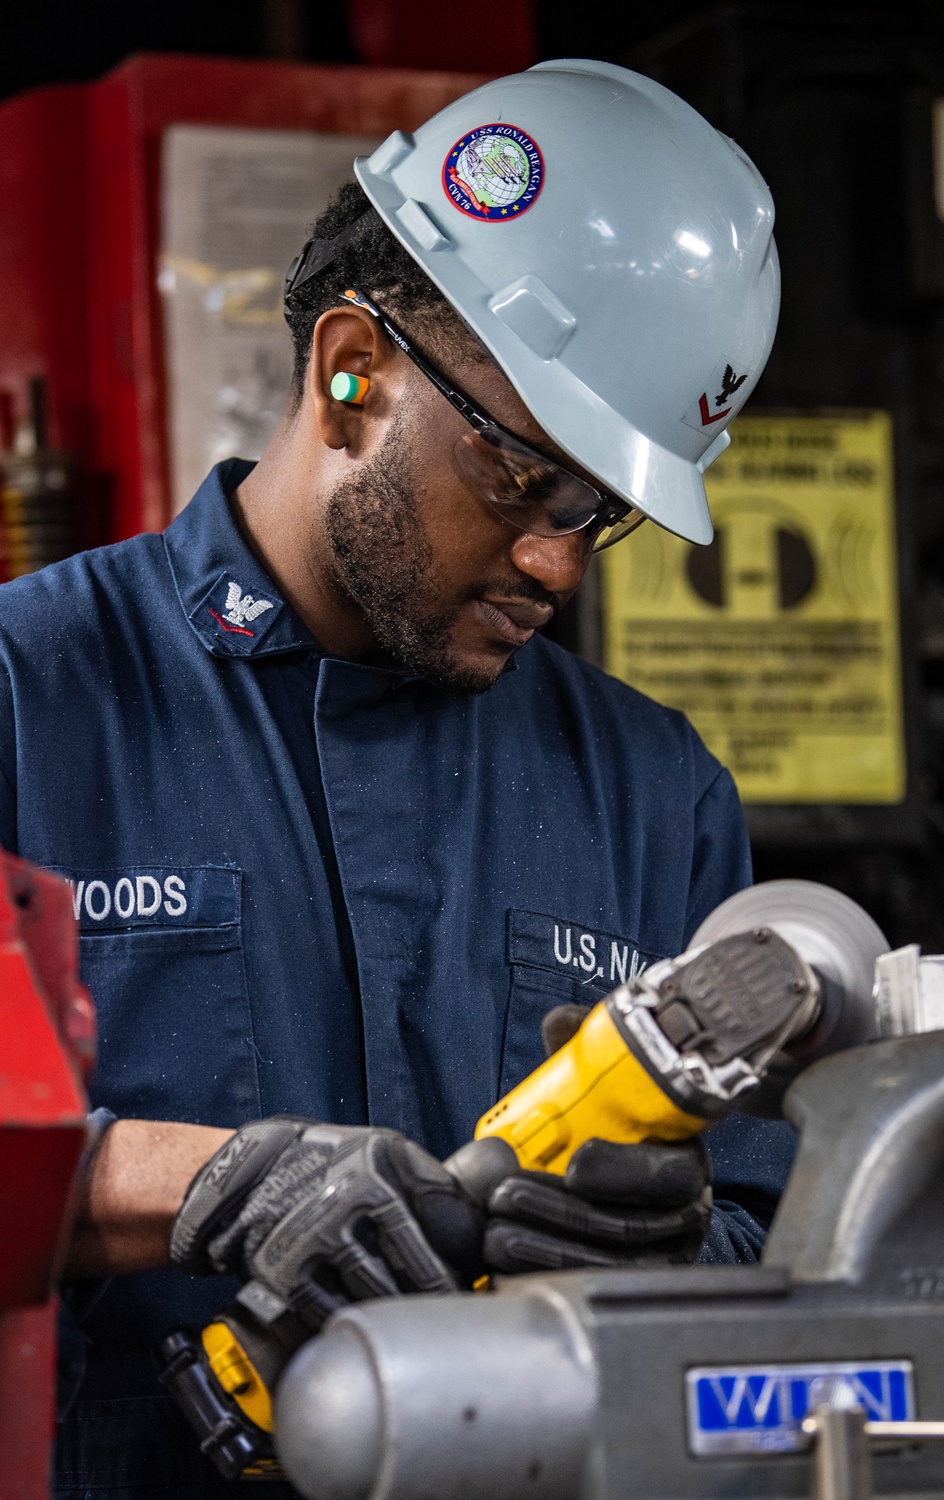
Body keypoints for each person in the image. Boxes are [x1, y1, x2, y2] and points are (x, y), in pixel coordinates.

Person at [0, 60, 790, 1500]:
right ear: (351, 369)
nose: (557, 562)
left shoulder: (654, 792)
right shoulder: (28, 697)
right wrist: (200, 1187)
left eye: (598, 514)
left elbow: (769, 1253)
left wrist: (675, 1259)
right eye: (521, 480)